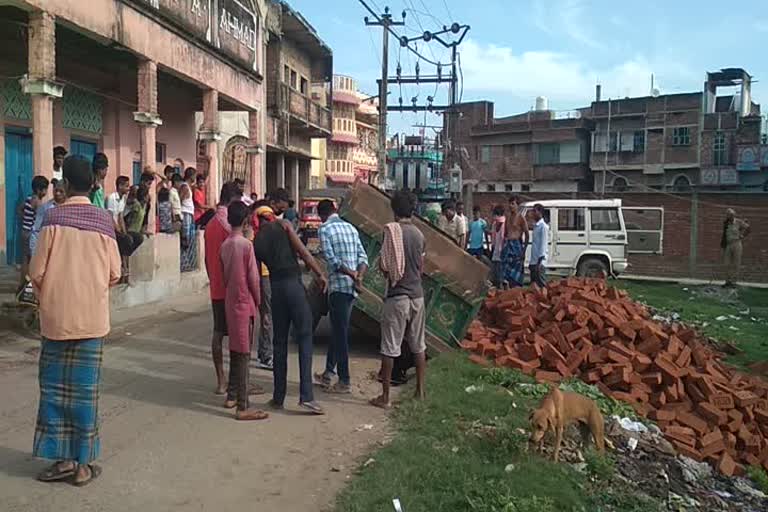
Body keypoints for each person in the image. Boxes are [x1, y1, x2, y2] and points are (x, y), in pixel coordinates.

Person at [29, 155, 121, 486]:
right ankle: (83, 465)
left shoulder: (53, 219)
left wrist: (50, 295)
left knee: (54, 392)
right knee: (85, 393)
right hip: (92, 322)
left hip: (55, 321)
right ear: (93, 183)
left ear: (64, 185)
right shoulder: (104, 220)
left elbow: (36, 271)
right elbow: (115, 273)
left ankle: (63, 459)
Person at [254, 188, 327, 415]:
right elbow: (304, 254)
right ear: (273, 212)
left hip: (275, 287)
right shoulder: (284, 227)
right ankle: (306, 396)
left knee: (279, 343)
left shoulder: (258, 239)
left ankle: (278, 397)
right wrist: (320, 274)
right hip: (293, 285)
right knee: (305, 337)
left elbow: (256, 269)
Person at [370, 190, 427, 409]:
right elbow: (421, 268)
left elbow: (385, 267)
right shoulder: (419, 235)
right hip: (417, 297)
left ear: (394, 210)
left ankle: (385, 398)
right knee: (418, 346)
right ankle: (420, 393)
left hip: (397, 297)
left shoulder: (391, 232)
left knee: (389, 348)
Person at [220, 201, 269, 421]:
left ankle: (232, 395)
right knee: (243, 354)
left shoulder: (225, 245)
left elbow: (223, 275)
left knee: (235, 350)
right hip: (244, 301)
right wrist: (259, 303)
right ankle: (243, 405)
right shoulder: (246, 245)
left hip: (231, 299)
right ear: (246, 220)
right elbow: (253, 279)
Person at [314, 199, 369, 394]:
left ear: (321, 215)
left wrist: (350, 273)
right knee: (338, 331)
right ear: (335, 210)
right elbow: (363, 258)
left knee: (340, 334)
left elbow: (332, 260)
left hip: (339, 288)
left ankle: (344, 380)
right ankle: (329, 373)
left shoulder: (324, 230)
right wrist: (358, 275)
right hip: (352, 289)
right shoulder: (351, 228)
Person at [204, 182, 238, 395]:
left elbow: (208, 260)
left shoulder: (210, 224)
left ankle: (221, 380)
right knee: (236, 337)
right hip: (230, 289)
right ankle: (235, 384)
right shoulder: (229, 226)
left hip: (216, 286)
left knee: (218, 333)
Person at [252, 203, 276, 370]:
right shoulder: (256, 238)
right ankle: (265, 355)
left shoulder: (266, 235)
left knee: (268, 316)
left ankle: (264, 352)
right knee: (267, 317)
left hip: (269, 276)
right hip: (263, 277)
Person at [19, 176, 50, 288]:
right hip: (31, 234)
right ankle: (29, 284)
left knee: (25, 258)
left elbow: (20, 209)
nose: (46, 192)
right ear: (39, 190)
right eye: (45, 189)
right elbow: (40, 219)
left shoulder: (28, 198)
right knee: (32, 259)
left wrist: (25, 218)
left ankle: (23, 282)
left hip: (24, 231)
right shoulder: (38, 203)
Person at [30, 179, 66, 257]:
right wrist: (34, 253)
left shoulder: (70, 208)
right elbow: (36, 230)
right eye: (56, 190)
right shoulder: (46, 208)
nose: (57, 193)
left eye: (61, 191)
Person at [501, 196, 529, 288]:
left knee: (516, 278)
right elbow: (505, 233)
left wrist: (523, 251)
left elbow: (527, 234)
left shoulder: (521, 217)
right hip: (508, 246)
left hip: (517, 247)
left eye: (513, 204)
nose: (510, 206)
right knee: (505, 275)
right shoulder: (508, 217)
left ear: (517, 205)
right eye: (510, 203)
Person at [721, 208, 750, 287]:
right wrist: (723, 245)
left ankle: (734, 282)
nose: (727, 216)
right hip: (728, 245)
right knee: (726, 264)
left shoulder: (738, 222)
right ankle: (727, 281)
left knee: (736, 264)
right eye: (727, 214)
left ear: (733, 215)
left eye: (729, 215)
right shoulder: (726, 223)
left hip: (737, 244)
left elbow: (748, 228)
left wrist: (742, 235)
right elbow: (724, 234)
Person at [179, 168, 198, 271]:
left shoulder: (188, 187)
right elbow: (180, 199)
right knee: (185, 238)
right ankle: (184, 263)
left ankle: (187, 262)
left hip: (189, 214)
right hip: (185, 213)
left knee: (189, 238)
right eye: (194, 175)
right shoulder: (184, 187)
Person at [122, 185, 147, 254]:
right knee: (139, 238)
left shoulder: (144, 206)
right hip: (131, 230)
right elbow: (128, 217)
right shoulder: (136, 205)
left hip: (136, 230)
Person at [529, 204, 549, 288]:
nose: (533, 213)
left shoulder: (543, 227)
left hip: (539, 262)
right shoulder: (536, 226)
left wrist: (539, 262)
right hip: (534, 261)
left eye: (535, 211)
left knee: (541, 285)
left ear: (540, 212)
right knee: (534, 287)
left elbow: (543, 245)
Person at [490, 205, 506, 287]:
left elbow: (504, 239)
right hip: (495, 253)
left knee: (501, 277)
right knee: (494, 276)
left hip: (502, 253)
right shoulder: (494, 224)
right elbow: (493, 239)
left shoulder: (504, 224)